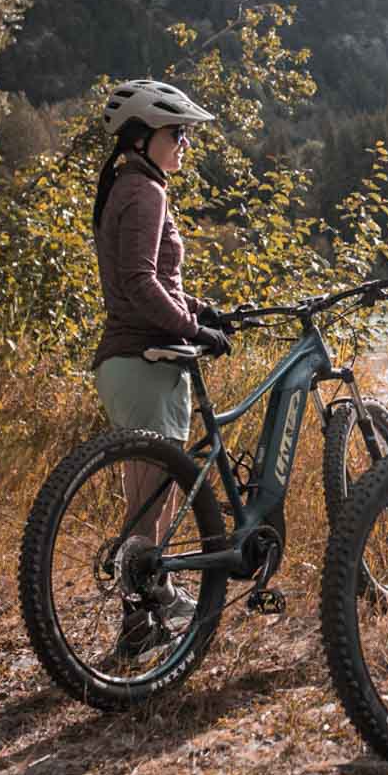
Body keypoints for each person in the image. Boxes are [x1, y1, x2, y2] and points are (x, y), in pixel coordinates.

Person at [90, 78, 232, 661]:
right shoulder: (146, 192)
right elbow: (141, 285)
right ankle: (139, 624)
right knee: (150, 504)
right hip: (145, 358)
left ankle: (158, 599)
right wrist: (192, 329)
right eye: (178, 134)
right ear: (144, 136)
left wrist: (199, 308)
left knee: (153, 492)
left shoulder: (128, 185)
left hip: (136, 359)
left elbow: (147, 283)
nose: (185, 145)